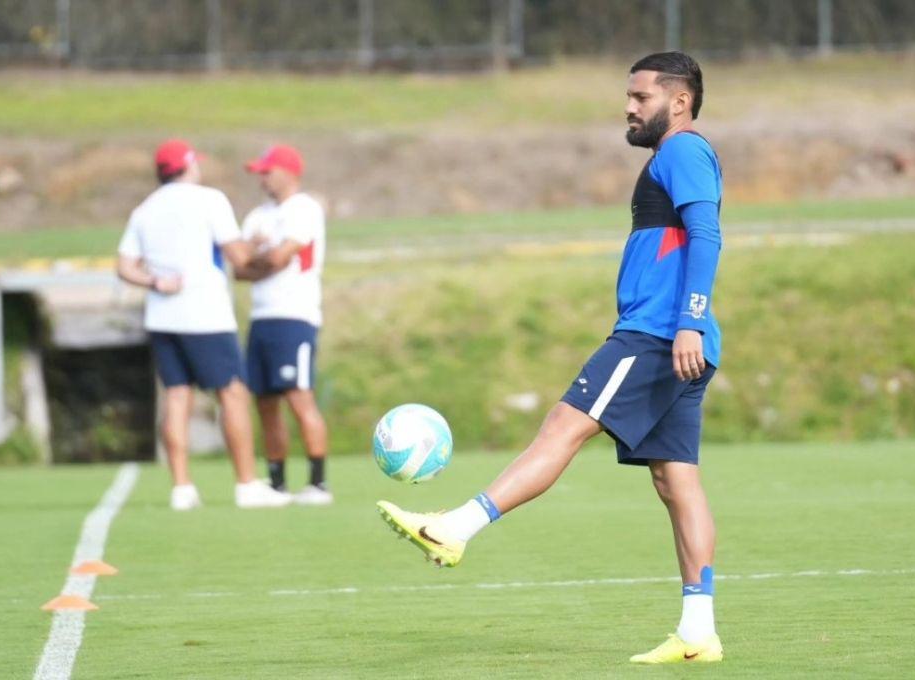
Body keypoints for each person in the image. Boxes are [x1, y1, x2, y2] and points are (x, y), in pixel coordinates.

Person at [377, 52, 725, 665]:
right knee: (676, 481)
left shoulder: (683, 151)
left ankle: (454, 529)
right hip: (670, 337)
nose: (628, 107)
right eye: (628, 95)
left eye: (640, 97)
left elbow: (707, 235)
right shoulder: (670, 157)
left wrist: (689, 321)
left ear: (679, 101)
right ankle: (699, 631)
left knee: (564, 426)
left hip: (657, 334)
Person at [116, 139, 291, 511]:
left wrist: (155, 282)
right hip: (205, 314)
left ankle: (182, 489)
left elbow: (125, 266)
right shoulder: (209, 200)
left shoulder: (144, 209)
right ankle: (246, 485)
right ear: (188, 166)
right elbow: (238, 256)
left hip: (162, 316)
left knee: (177, 396)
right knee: (233, 393)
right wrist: (260, 248)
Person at [233, 144, 332, 506]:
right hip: (262, 317)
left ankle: (318, 482)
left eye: (267, 171)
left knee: (298, 396)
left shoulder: (304, 209)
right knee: (265, 401)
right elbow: (239, 268)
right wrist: (260, 258)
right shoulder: (256, 216)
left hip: (295, 315)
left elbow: (278, 257)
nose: (262, 178)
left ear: (289, 172)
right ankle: (277, 483)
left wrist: (257, 255)